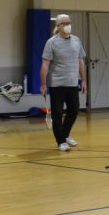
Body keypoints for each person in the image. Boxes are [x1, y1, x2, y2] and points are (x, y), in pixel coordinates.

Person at [40, 14, 87, 151]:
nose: (68, 25)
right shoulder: (52, 42)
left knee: (74, 110)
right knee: (57, 113)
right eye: (65, 23)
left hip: (73, 83)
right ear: (58, 26)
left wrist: (83, 80)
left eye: (69, 22)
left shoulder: (76, 41)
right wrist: (43, 84)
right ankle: (60, 141)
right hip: (57, 84)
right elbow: (45, 64)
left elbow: (81, 61)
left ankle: (65, 135)